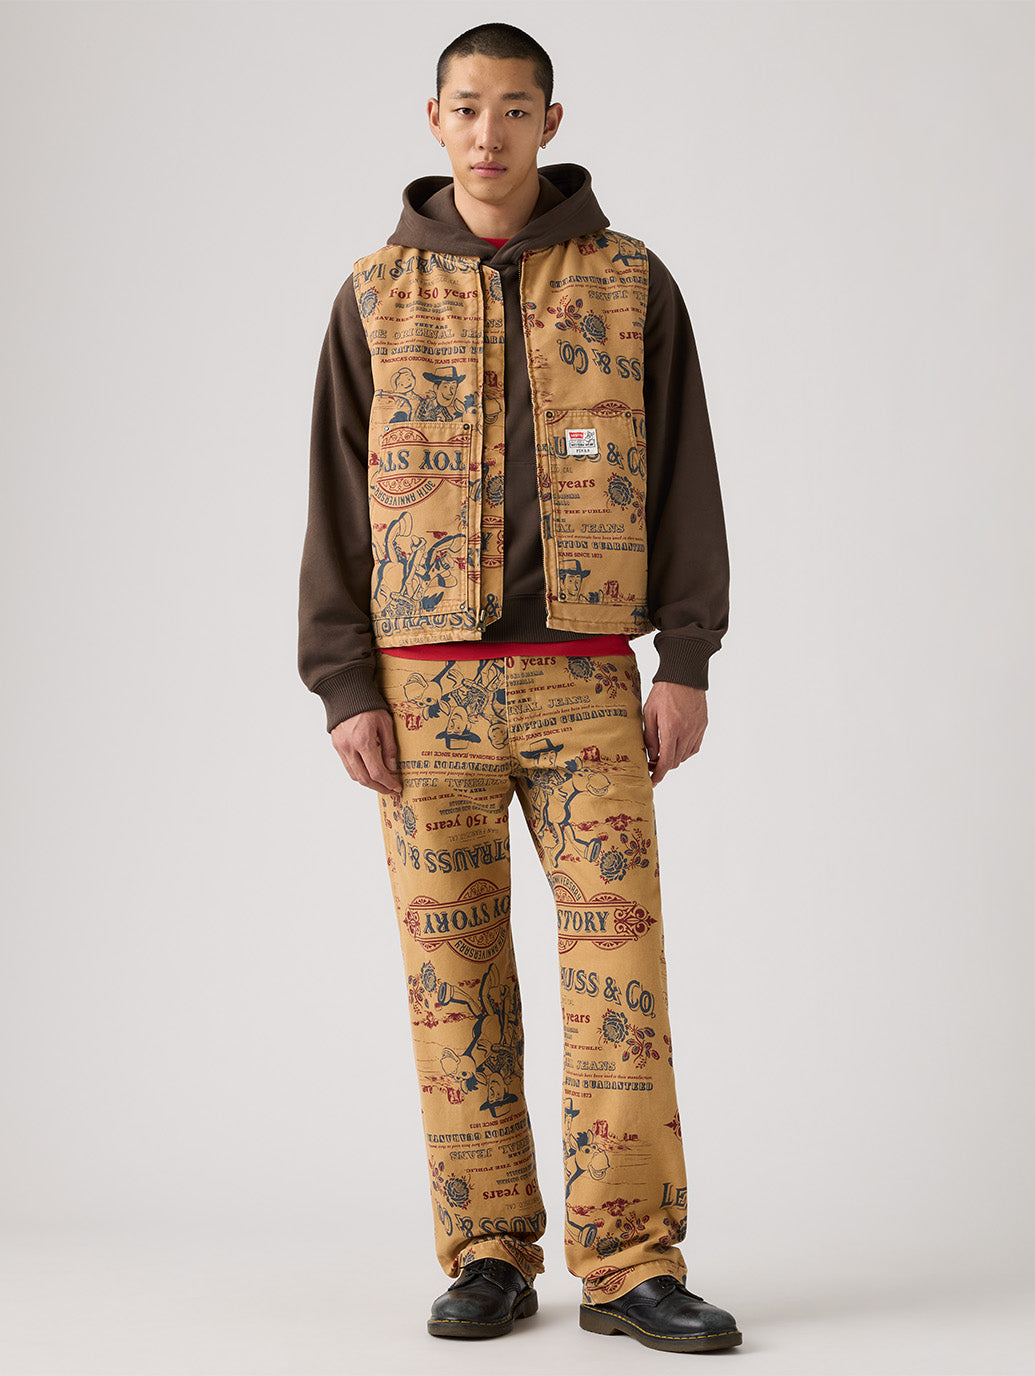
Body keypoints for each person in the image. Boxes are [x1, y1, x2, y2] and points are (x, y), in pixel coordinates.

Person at [297, 21, 742, 1355]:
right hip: (420, 696)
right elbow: (333, 494)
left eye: (513, 108)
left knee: (621, 972)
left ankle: (631, 1263)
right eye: (466, 107)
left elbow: (687, 471)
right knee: (453, 982)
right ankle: (488, 1248)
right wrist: (343, 682)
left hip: (586, 685)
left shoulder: (631, 281)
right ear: (433, 119)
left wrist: (687, 658)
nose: (487, 133)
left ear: (551, 120)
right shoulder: (374, 294)